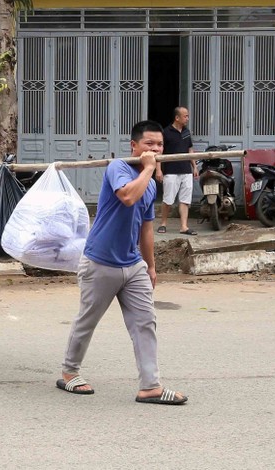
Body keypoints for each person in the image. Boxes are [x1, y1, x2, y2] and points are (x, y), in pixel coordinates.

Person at [57, 120, 187, 405]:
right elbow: (127, 197)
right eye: (149, 144)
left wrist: (150, 266)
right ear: (134, 146)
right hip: (100, 262)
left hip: (133, 264)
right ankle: (69, 373)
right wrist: (151, 167)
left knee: (145, 322)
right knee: (87, 320)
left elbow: (146, 228)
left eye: (159, 145)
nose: (155, 149)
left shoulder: (150, 186)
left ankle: (150, 386)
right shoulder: (119, 167)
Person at [156, 106, 198, 235]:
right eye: (185, 116)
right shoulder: (166, 133)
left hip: (186, 170)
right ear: (177, 118)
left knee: (185, 200)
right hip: (171, 171)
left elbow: (190, 149)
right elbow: (159, 152)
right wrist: (158, 170)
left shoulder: (186, 132)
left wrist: (194, 166)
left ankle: (184, 226)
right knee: (168, 199)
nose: (187, 118)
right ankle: (163, 223)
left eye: (187, 116)